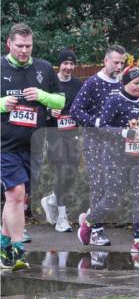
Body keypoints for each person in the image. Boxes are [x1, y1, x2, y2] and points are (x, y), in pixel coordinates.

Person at [1, 24, 63, 270]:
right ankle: (18, 251)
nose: (24, 50)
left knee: (17, 200)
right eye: (19, 46)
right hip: (5, 144)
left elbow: (60, 100)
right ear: (9, 43)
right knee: (14, 195)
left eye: (28, 46)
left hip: (34, 144)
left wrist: (41, 95)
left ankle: (4, 244)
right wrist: (2, 103)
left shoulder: (44, 68)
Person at [78, 66, 139, 254]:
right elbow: (103, 128)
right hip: (115, 157)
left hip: (138, 156)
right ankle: (89, 222)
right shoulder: (114, 101)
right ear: (125, 82)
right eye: (135, 83)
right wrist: (123, 132)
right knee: (113, 198)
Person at [70, 44, 127, 246]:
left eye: (122, 62)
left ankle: (90, 218)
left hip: (116, 144)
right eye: (116, 62)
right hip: (94, 142)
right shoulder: (93, 83)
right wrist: (96, 122)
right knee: (100, 186)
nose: (119, 66)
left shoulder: (122, 85)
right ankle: (96, 231)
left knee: (115, 187)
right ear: (105, 61)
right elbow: (75, 110)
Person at [40, 47, 83, 233]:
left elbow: (82, 108)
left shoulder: (78, 85)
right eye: (65, 63)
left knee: (71, 175)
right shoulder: (50, 84)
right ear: (59, 65)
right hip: (54, 135)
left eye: (71, 63)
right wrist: (49, 112)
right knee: (62, 172)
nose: (68, 67)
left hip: (72, 135)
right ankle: (62, 219)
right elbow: (38, 108)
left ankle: (50, 200)